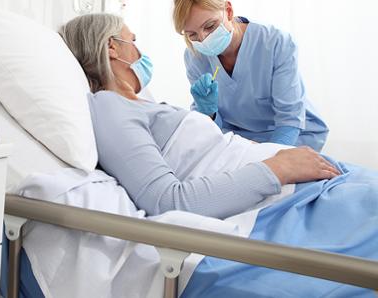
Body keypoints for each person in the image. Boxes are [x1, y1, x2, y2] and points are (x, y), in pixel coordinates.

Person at [59, 13, 341, 219]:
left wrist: (279, 155)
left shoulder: (140, 104)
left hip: (289, 177)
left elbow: (207, 151)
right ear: (112, 46)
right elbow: (167, 201)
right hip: (275, 193)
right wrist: (278, 168)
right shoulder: (109, 108)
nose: (139, 50)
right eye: (132, 40)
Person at [172, 0, 329, 151]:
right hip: (240, 140)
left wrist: (268, 159)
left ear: (229, 11)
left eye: (210, 26)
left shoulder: (275, 42)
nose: (203, 39)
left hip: (293, 137)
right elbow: (211, 130)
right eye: (192, 35)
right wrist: (209, 112)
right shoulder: (195, 57)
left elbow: (289, 120)